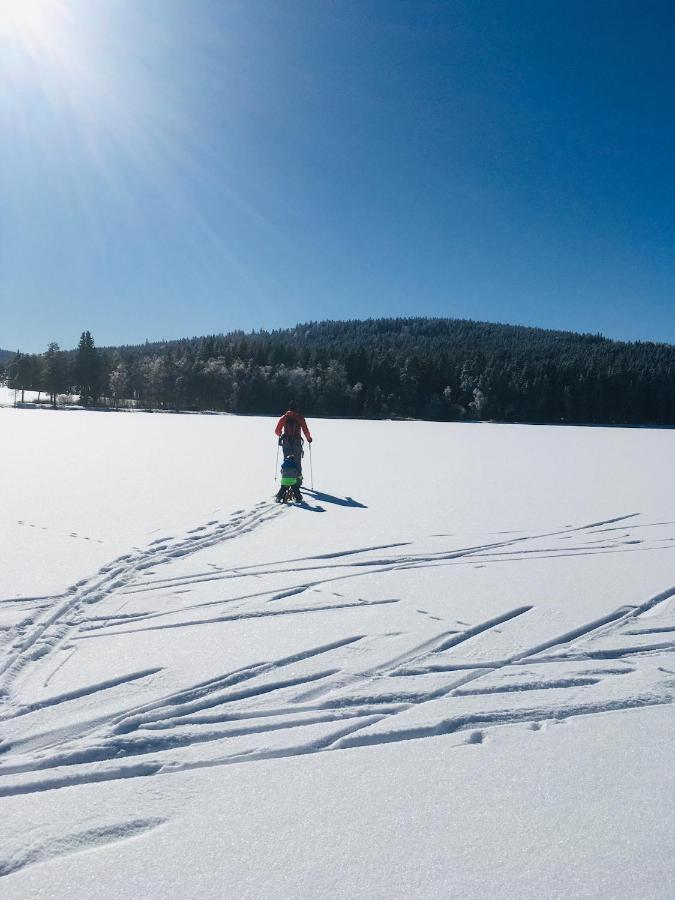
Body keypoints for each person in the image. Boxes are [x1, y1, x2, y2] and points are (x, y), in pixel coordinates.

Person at [274, 401, 312, 480]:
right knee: (297, 462)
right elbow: (305, 430)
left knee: (287, 460)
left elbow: (277, 431)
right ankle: (298, 480)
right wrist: (309, 439)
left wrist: (280, 433)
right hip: (297, 443)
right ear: (296, 408)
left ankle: (286, 478)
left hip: (286, 442)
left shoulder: (284, 417)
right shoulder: (300, 417)